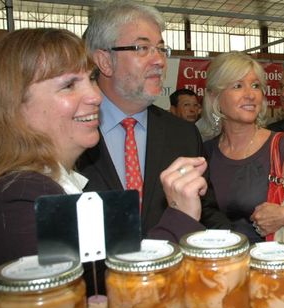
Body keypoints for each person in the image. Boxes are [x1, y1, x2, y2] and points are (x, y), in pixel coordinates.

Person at [79, 2, 229, 240]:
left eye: (161, 49)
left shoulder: (183, 134)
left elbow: (206, 211)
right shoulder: (70, 134)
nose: (159, 60)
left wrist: (238, 246)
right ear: (105, 61)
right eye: (142, 48)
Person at [0, 28, 102, 266]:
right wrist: (179, 216)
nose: (95, 96)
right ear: (15, 104)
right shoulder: (24, 198)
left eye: (92, 78)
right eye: (69, 85)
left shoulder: (44, 185)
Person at [198, 51, 284, 243]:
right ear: (215, 97)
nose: (250, 95)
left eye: (255, 86)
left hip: (274, 267)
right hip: (224, 267)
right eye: (238, 86)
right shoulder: (204, 153)